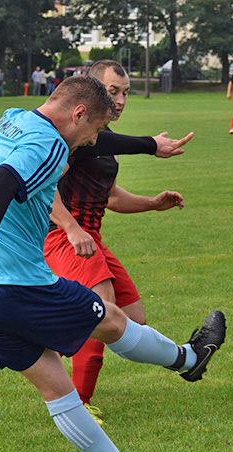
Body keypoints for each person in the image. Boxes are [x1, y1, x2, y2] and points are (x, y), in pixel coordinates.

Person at [0, 74, 225, 452]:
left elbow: (52, 154)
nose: (93, 142)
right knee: (111, 320)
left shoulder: (13, 120)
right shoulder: (49, 145)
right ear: (79, 113)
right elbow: (0, 184)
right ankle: (189, 359)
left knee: (56, 389)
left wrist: (146, 144)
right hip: (15, 284)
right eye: (94, 130)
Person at [44, 60, 194, 425]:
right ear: (89, 91)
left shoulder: (98, 139)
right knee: (102, 307)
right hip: (63, 236)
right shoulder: (72, 136)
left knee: (132, 322)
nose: (122, 100)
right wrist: (70, 227)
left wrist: (152, 204)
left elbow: (109, 197)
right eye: (113, 92)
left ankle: (45, 333)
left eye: (125, 92)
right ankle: (77, 404)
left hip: (90, 238)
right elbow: (42, 187)